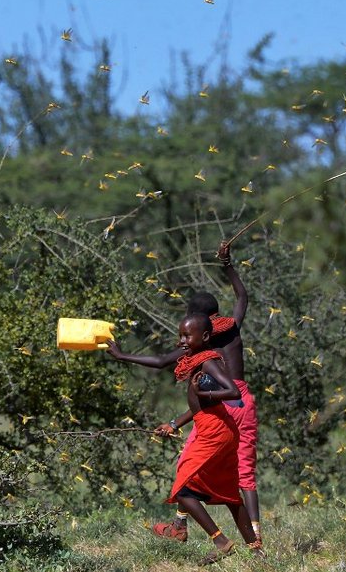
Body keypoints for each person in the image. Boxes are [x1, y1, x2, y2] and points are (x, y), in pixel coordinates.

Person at [106, 240, 263, 546]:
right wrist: (227, 264)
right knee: (242, 471)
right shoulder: (232, 327)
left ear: (198, 324)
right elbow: (242, 296)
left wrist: (123, 355)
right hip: (244, 402)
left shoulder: (199, 346)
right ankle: (254, 537)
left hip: (220, 405)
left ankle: (185, 526)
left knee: (189, 464)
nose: (183, 337)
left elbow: (162, 361)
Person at [157, 313, 259, 564]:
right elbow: (198, 407)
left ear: (204, 336)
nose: (182, 341)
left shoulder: (208, 362)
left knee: (183, 490)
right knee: (231, 495)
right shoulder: (196, 361)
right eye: (180, 335)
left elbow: (233, 391)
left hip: (214, 432)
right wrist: (173, 424)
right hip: (219, 429)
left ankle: (221, 541)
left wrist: (206, 393)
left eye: (187, 336)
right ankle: (257, 551)